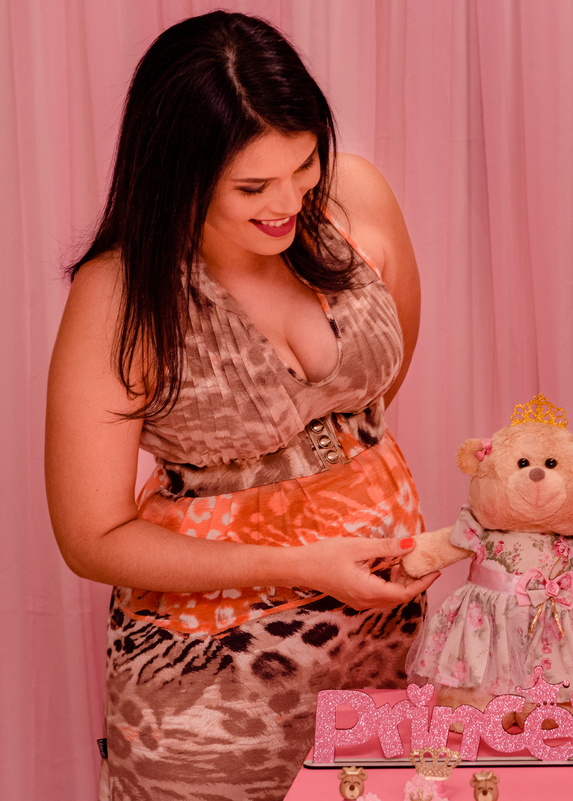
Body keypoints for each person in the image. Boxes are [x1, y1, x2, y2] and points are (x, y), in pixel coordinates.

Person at [44, 12, 439, 800]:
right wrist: (296, 562)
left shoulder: (355, 196)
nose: (288, 200)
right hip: (210, 681)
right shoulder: (121, 293)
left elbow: (373, 389)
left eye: (304, 163)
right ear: (178, 175)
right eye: (253, 188)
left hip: (385, 645)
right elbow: (91, 537)